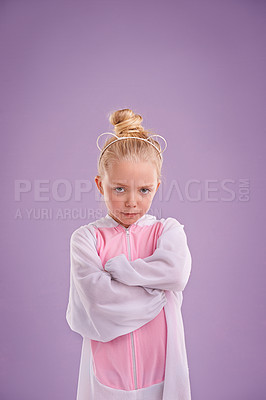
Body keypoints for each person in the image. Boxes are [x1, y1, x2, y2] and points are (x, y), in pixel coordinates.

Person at [65, 108, 192, 400]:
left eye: (144, 190)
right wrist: (156, 293)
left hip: (161, 369)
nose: (132, 202)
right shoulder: (87, 239)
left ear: (157, 187)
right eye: (119, 188)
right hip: (107, 372)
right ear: (101, 185)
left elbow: (175, 273)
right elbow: (99, 301)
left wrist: (122, 273)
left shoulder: (167, 232)